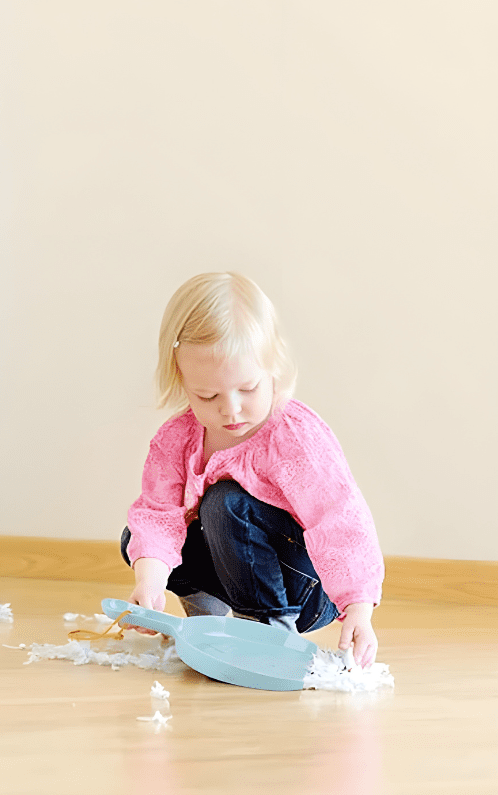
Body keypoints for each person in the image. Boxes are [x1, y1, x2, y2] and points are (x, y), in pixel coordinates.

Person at [122, 271, 383, 668]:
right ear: (181, 379)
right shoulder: (177, 439)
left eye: (248, 389)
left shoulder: (293, 437)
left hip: (306, 590)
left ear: (274, 369)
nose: (231, 409)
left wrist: (359, 609)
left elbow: (340, 521)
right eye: (207, 395)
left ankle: (267, 631)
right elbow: (159, 516)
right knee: (139, 538)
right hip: (236, 574)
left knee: (225, 503)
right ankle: (209, 620)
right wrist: (149, 584)